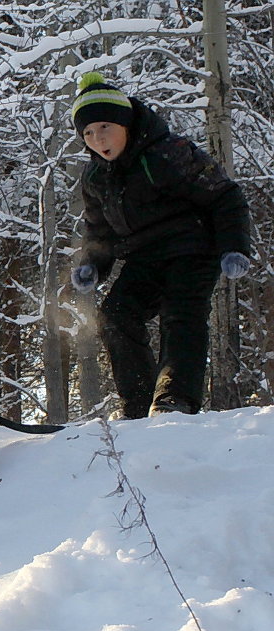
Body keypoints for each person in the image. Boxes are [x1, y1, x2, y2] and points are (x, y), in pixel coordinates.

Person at [68, 71, 253, 418]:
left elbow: (226, 195)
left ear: (125, 123)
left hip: (193, 248)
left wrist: (234, 247)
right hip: (143, 257)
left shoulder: (168, 153)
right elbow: (99, 230)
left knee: (181, 314)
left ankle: (175, 400)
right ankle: (137, 404)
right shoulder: (95, 177)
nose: (97, 138)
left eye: (104, 127)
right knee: (115, 315)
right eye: (88, 133)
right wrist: (91, 263)